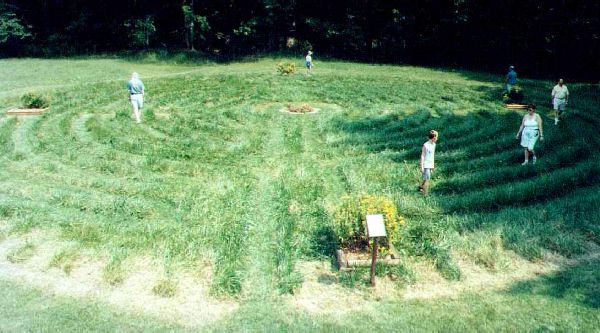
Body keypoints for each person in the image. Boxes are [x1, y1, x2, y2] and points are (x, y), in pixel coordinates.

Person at [419, 130, 439, 195]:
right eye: (436, 137)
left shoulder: (434, 145)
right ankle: (425, 194)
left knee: (425, 178)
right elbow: (423, 155)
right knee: (427, 179)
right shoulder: (425, 145)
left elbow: (432, 155)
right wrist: (421, 166)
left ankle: (421, 187)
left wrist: (432, 166)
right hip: (426, 164)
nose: (437, 139)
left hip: (430, 164)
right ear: (434, 137)